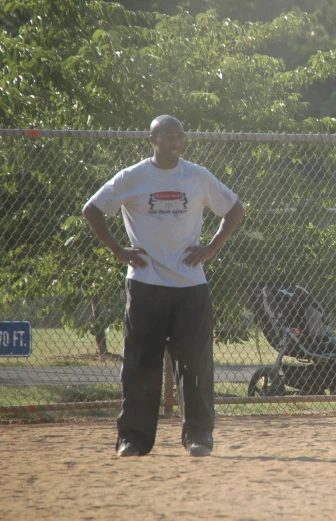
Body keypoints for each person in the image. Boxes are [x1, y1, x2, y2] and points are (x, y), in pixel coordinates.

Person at [82, 115, 244, 458]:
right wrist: (118, 249)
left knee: (196, 364)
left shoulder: (197, 176)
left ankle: (199, 435)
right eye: (169, 136)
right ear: (151, 139)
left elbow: (234, 209)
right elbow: (92, 210)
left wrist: (212, 248)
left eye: (181, 136)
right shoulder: (134, 176)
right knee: (141, 363)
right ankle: (134, 440)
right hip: (145, 284)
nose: (177, 141)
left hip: (190, 286)